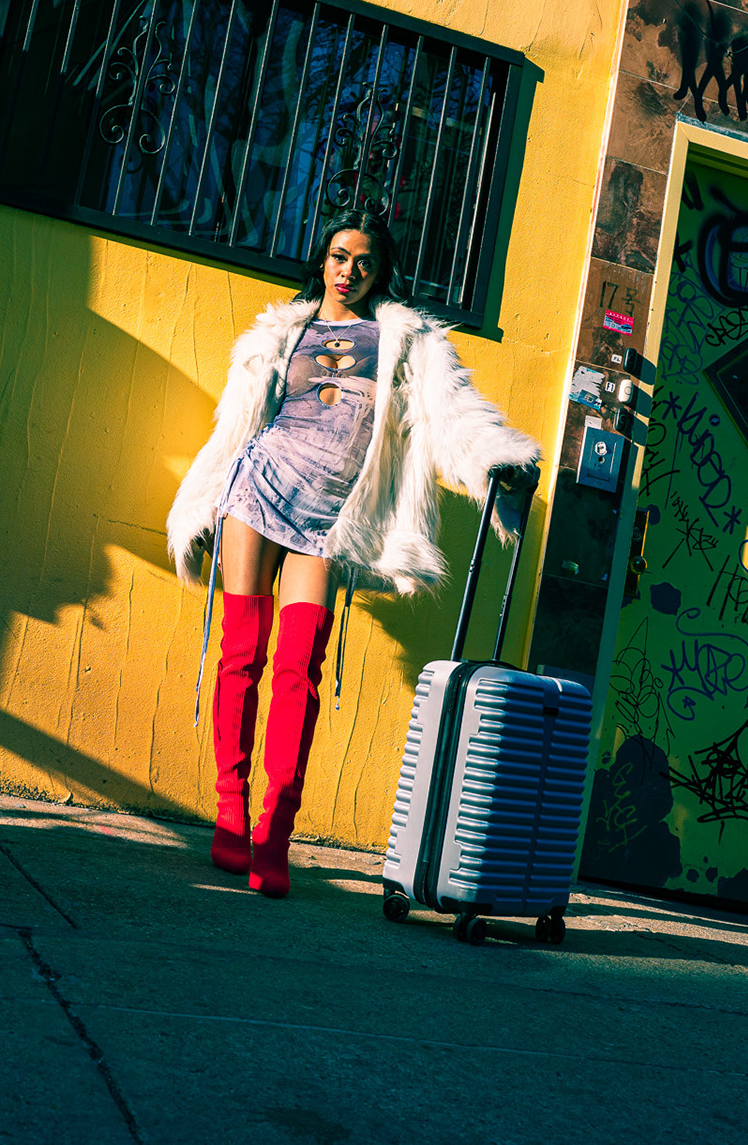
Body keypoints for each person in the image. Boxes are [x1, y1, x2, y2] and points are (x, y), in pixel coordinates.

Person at [165, 210, 541, 897]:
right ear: (323, 260)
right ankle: (230, 811)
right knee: (242, 653)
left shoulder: (407, 342)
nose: (349, 271)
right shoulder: (281, 333)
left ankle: (275, 833)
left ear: (380, 271)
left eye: (364, 261)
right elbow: (240, 423)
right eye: (340, 256)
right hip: (257, 487)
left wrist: (497, 460)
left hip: (330, 516)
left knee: (298, 669)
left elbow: (453, 413)